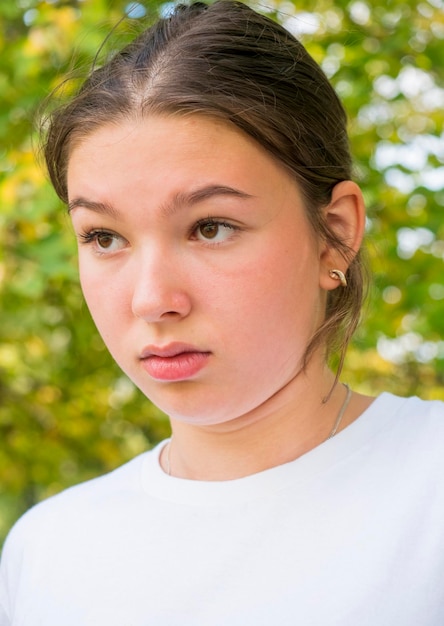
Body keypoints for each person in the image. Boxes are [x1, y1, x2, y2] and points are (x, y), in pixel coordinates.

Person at [1, 1, 443, 623]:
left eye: (210, 227)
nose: (152, 299)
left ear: (335, 234)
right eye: (104, 237)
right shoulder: (46, 551)